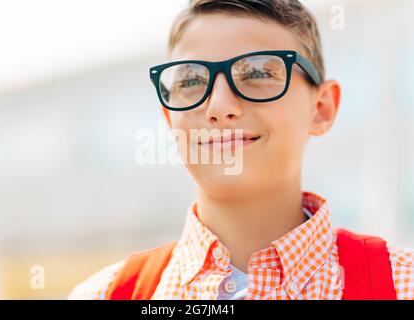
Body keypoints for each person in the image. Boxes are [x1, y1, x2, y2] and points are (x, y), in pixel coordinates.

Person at [68, 0, 414, 300]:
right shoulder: (102, 293)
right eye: (191, 81)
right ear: (169, 118)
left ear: (321, 108)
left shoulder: (403, 284)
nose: (218, 105)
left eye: (259, 72)